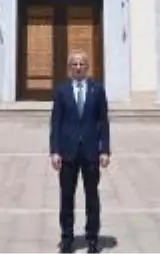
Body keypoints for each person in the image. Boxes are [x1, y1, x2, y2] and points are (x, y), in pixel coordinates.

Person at [49, 49, 111, 253]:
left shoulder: (97, 89)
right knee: (66, 197)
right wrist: (55, 151)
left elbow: (103, 121)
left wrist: (105, 150)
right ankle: (67, 238)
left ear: (87, 66)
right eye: (74, 64)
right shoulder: (62, 90)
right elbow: (55, 123)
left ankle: (92, 239)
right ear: (69, 68)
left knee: (92, 197)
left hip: (91, 152)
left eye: (82, 64)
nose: (78, 67)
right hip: (67, 153)